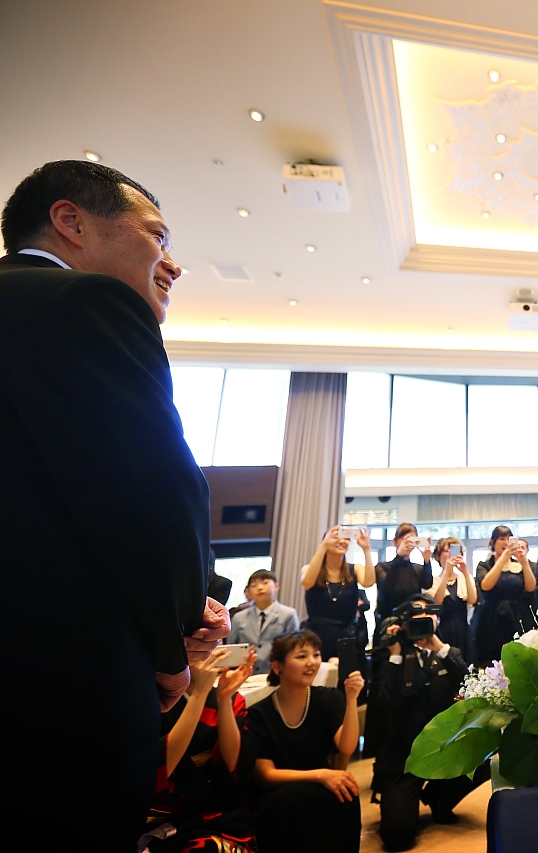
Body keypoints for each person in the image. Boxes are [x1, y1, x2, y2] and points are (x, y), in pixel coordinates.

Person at [0, 160, 229, 848]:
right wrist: (175, 637)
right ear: (70, 221)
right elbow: (151, 488)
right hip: (61, 693)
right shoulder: (87, 301)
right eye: (157, 236)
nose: (173, 264)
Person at [365, 598, 488, 851]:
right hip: (404, 759)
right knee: (397, 837)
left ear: (437, 620)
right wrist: (394, 656)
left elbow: (472, 687)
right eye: (416, 613)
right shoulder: (391, 654)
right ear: (403, 622)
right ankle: (408, 799)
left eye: (428, 613)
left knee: (487, 754)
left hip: (442, 749)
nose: (423, 618)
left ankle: (439, 799)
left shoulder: (447, 653)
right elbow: (384, 705)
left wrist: (439, 648)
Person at [246, 631, 364, 853]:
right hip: (279, 793)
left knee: (347, 792)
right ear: (277, 667)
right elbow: (266, 776)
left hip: (319, 784)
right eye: (301, 656)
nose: (312, 662)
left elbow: (346, 747)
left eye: (316, 655)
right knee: (291, 798)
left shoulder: (329, 699)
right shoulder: (259, 714)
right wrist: (321, 775)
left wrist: (351, 700)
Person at [147, 648, 256, 852]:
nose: (207, 655)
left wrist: (224, 699)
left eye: (213, 646)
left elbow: (234, 765)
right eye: (198, 648)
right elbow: (157, 765)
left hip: (219, 811)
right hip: (166, 815)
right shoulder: (155, 700)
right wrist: (199, 694)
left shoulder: (229, 696)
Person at [301, 527, 376, 661]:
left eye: (346, 539)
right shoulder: (309, 569)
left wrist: (366, 549)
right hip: (317, 635)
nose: (342, 541)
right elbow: (307, 582)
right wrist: (323, 546)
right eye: (336, 537)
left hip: (347, 636)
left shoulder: (355, 569)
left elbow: (369, 582)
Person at [472, 526, 537, 665]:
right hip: (491, 618)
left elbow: (530, 587)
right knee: (492, 660)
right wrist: (502, 559)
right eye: (502, 539)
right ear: (492, 542)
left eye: (509, 539)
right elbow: (486, 585)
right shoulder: (484, 565)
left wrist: (524, 562)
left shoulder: (518, 564)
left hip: (518, 616)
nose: (506, 542)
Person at [229, 570, 300, 675]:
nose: (260, 587)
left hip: (276, 674)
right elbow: (231, 647)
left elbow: (293, 647)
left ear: (276, 586)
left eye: (265, 583)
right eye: (254, 585)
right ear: (248, 592)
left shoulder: (288, 615)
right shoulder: (238, 617)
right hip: (244, 673)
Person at [429, 537, 478, 663]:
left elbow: (472, 600)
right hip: (443, 630)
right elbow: (437, 601)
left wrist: (465, 572)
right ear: (438, 556)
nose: (450, 554)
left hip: (463, 630)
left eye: (454, 550)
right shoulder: (433, 581)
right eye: (446, 551)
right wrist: (446, 572)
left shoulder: (465, 577)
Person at [374, 523, 433, 624]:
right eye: (403, 538)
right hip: (388, 621)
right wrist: (399, 555)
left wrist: (427, 561)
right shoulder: (382, 566)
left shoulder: (417, 568)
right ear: (394, 541)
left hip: (412, 621)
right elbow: (387, 587)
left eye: (411, 539)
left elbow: (427, 584)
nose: (407, 542)